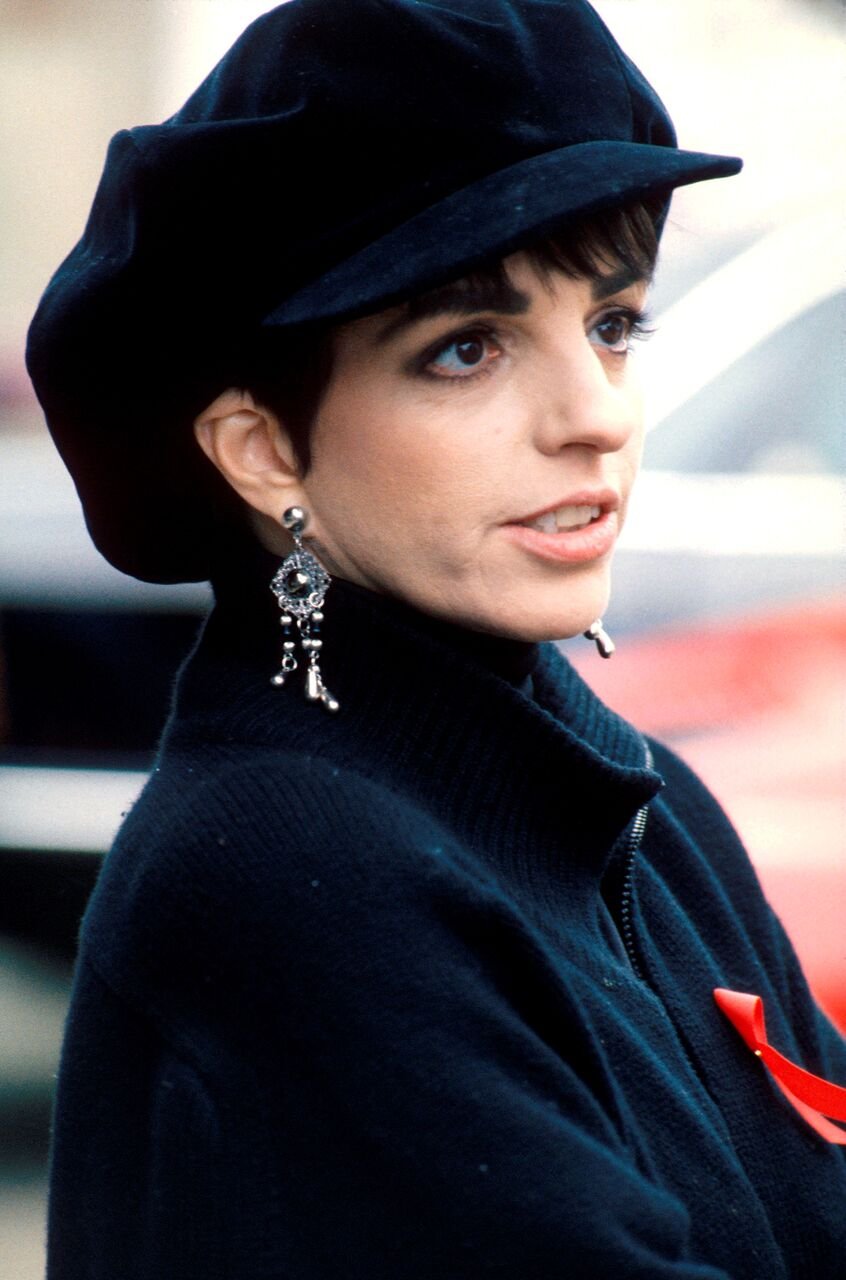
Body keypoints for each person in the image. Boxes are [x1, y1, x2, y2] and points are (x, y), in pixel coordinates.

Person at [26, 1, 846, 1276]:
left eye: (615, 322)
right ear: (262, 448)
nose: (595, 415)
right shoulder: (283, 877)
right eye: (468, 346)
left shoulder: (648, 803)